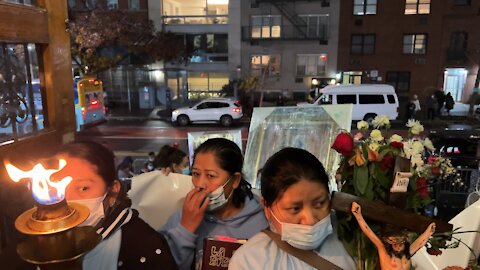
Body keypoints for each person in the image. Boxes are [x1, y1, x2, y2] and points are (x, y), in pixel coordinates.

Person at [53, 141, 178, 270]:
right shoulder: (43, 239)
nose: (68, 199)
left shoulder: (144, 246)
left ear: (112, 191)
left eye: (84, 188)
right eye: (59, 188)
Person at [229, 147, 355, 270]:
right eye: (295, 209)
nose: (310, 220)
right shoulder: (250, 261)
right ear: (266, 208)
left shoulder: (354, 239)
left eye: (319, 204)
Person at [161, 138, 268, 270]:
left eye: (210, 176)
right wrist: (185, 229)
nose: (200, 184)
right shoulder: (182, 217)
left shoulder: (264, 221)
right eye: (196, 174)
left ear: (235, 180)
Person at [351, 202, 435, 270]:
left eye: (400, 244)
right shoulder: (386, 255)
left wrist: (429, 231)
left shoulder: (406, 255)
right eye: (395, 244)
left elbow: (419, 243)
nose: (398, 247)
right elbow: (370, 234)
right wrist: (358, 215)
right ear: (391, 245)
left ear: (404, 244)